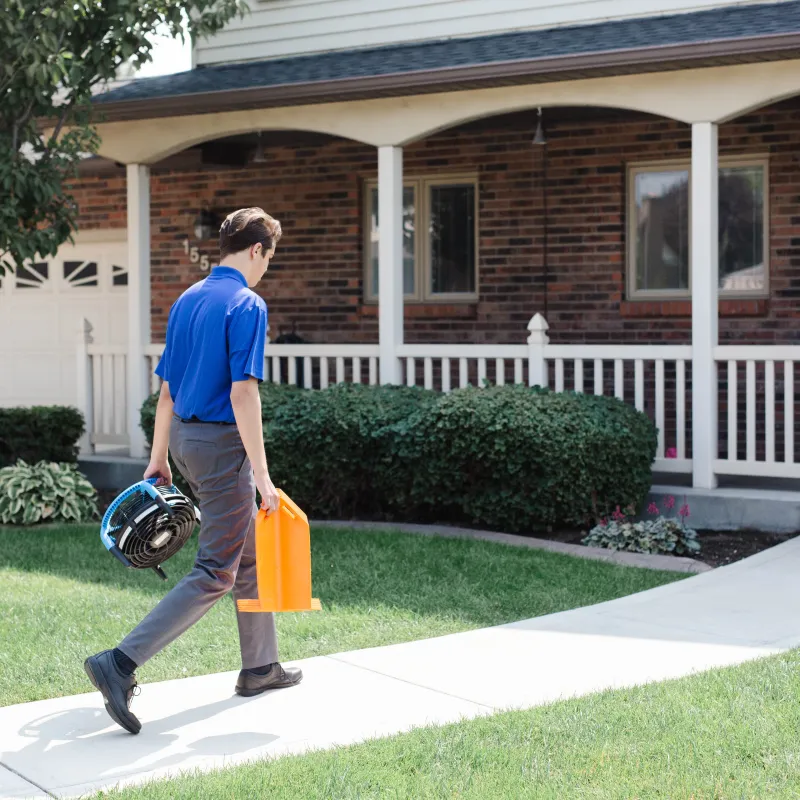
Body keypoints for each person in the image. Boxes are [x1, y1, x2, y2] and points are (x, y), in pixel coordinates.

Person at [84, 208, 301, 735]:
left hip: (184, 439)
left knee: (245, 555)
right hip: (223, 446)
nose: (267, 267)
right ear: (256, 251)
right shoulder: (247, 304)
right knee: (216, 571)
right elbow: (243, 393)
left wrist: (158, 459)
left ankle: (260, 666)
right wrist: (264, 478)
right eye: (269, 257)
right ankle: (120, 662)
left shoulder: (187, 300)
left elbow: (166, 392)